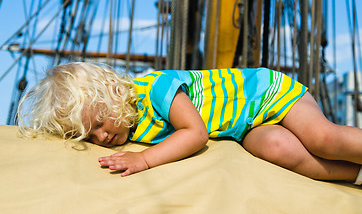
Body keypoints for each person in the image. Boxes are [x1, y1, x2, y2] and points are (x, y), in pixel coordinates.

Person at [17, 62, 362, 185]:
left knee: (323, 140)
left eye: (99, 123)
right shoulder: (131, 128)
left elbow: (195, 133)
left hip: (266, 95)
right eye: (89, 135)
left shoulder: (156, 88)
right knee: (278, 149)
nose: (101, 136)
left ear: (111, 94)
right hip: (246, 127)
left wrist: (144, 159)